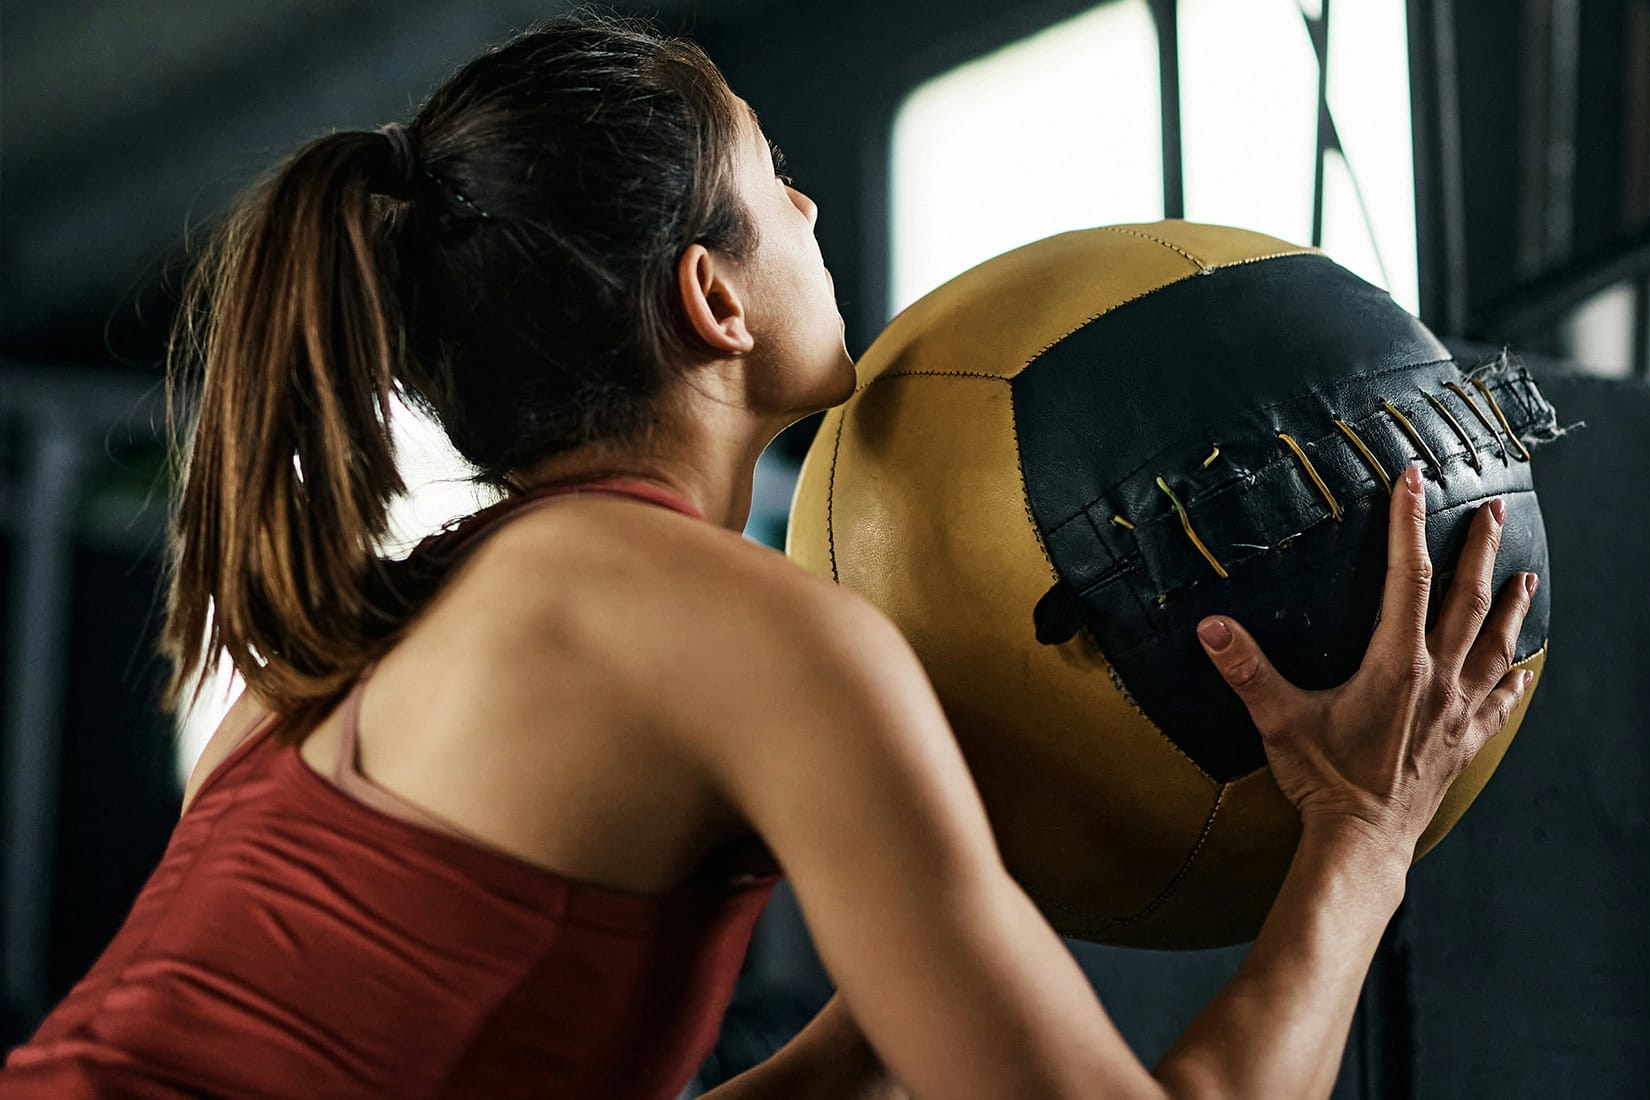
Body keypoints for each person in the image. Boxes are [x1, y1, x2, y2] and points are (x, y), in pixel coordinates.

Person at [0, 13, 1537, 1099]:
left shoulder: (365, 631)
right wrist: (1359, 841)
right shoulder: (718, 614)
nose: (809, 204)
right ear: (713, 303)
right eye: (774, 178)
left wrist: (887, 1016)